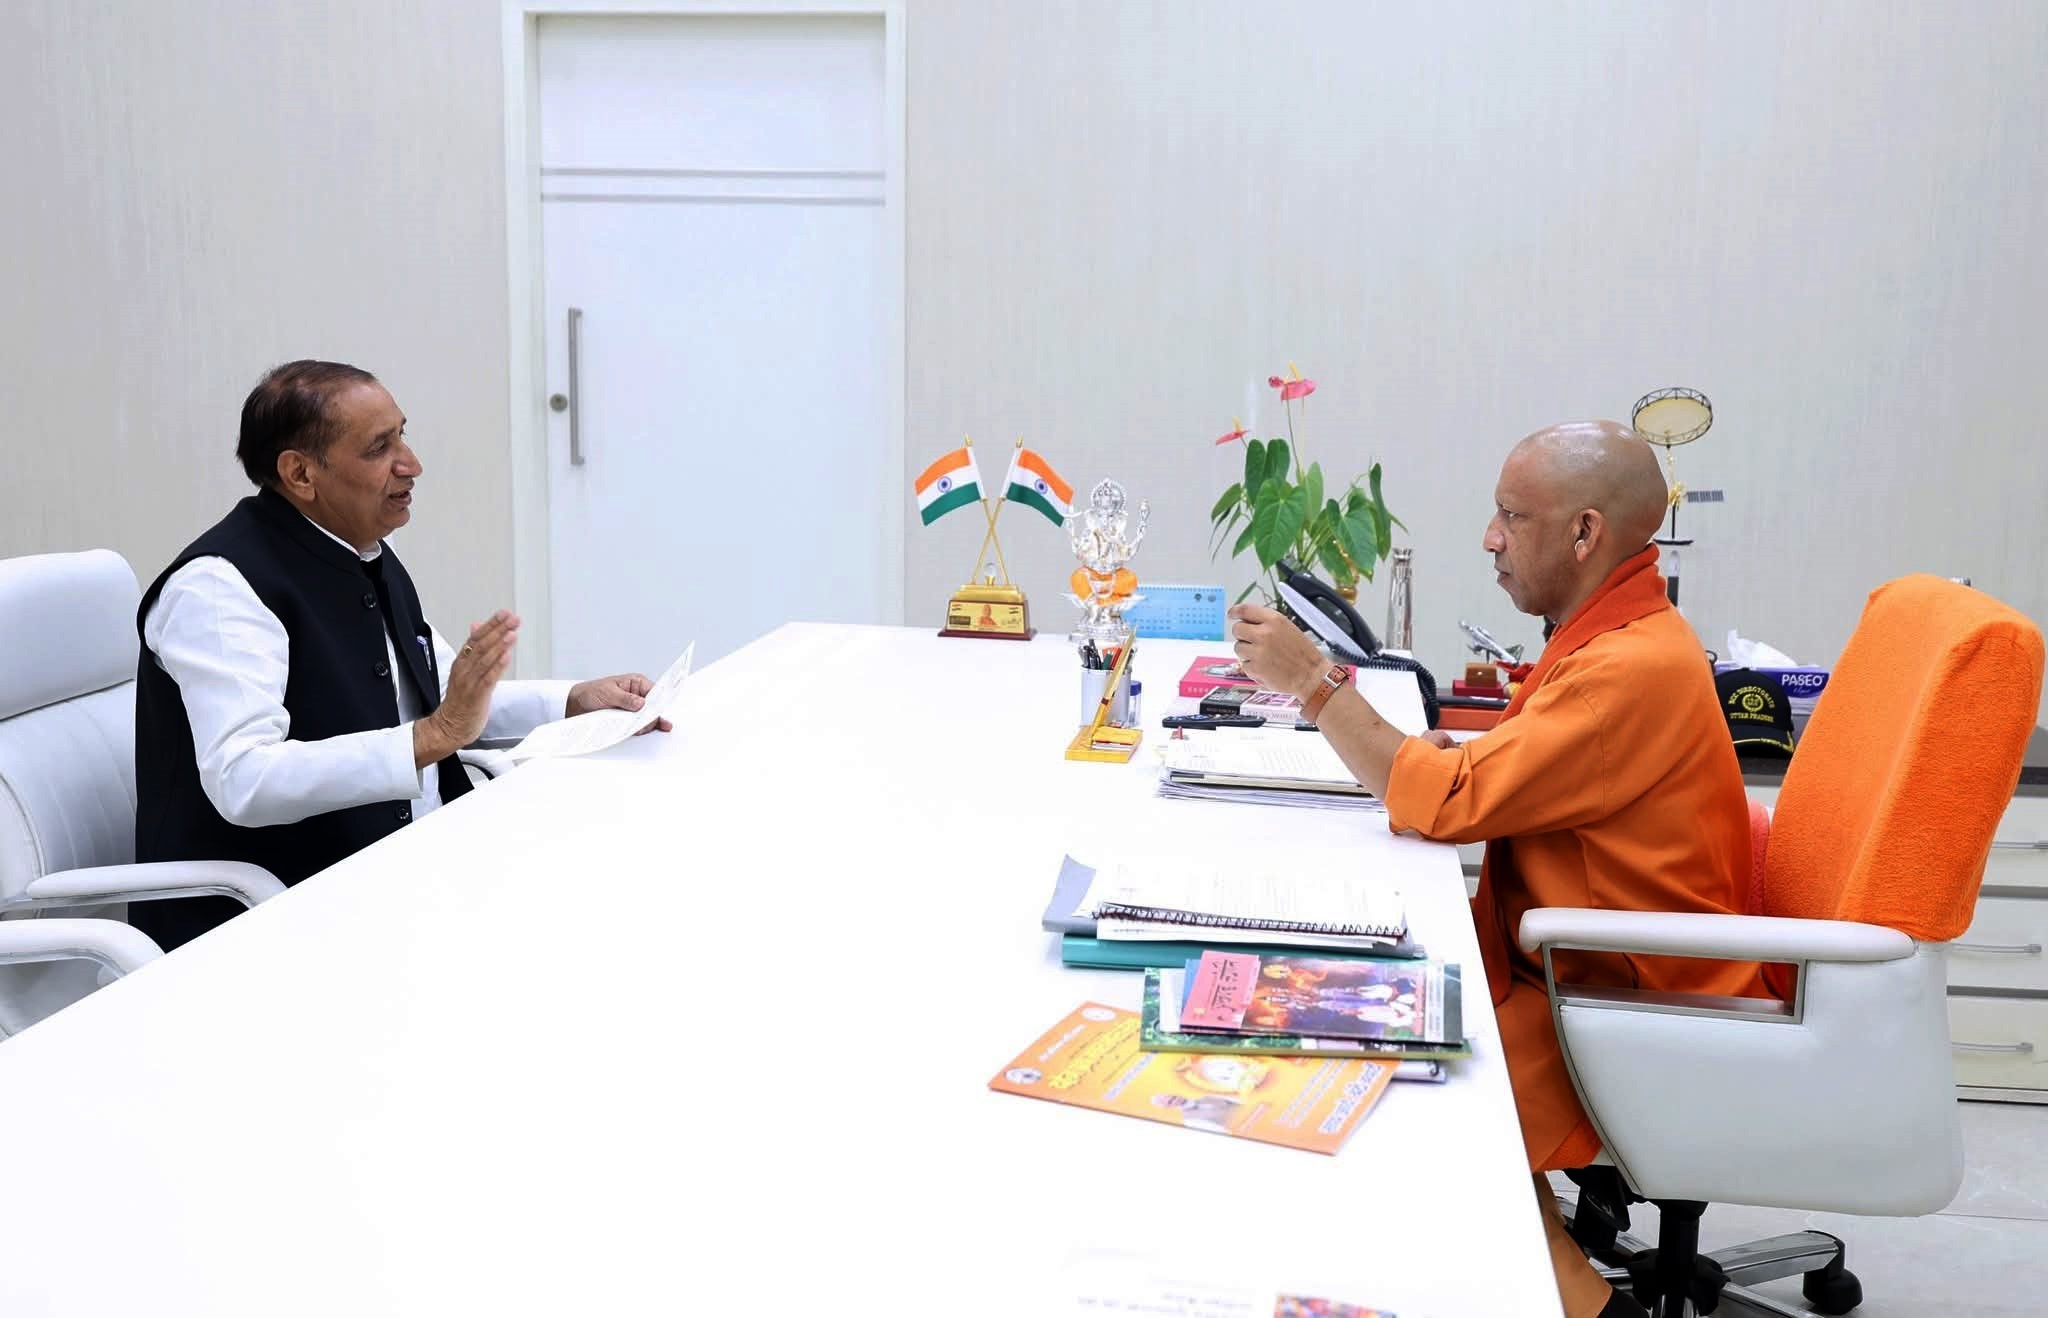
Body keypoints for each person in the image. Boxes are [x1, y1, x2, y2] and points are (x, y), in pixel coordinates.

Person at [1228, 420, 1757, 1318]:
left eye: (1513, 517)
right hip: (1578, 966)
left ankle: (1592, 1307)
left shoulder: (1624, 667)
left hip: (1624, 1001)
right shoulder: (1610, 633)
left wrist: (1315, 682)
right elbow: (1517, 767)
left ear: (1585, 533)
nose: (1490, 538)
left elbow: (1444, 803)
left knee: (1388, 1077)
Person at [133, 360, 671, 952]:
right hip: (279, 922)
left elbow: (442, 704)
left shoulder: (361, 553)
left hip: (407, 873)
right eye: (378, 448)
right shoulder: (218, 588)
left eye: (402, 435)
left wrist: (571, 701)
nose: (411, 464)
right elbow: (245, 779)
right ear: (301, 473)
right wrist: (430, 737)